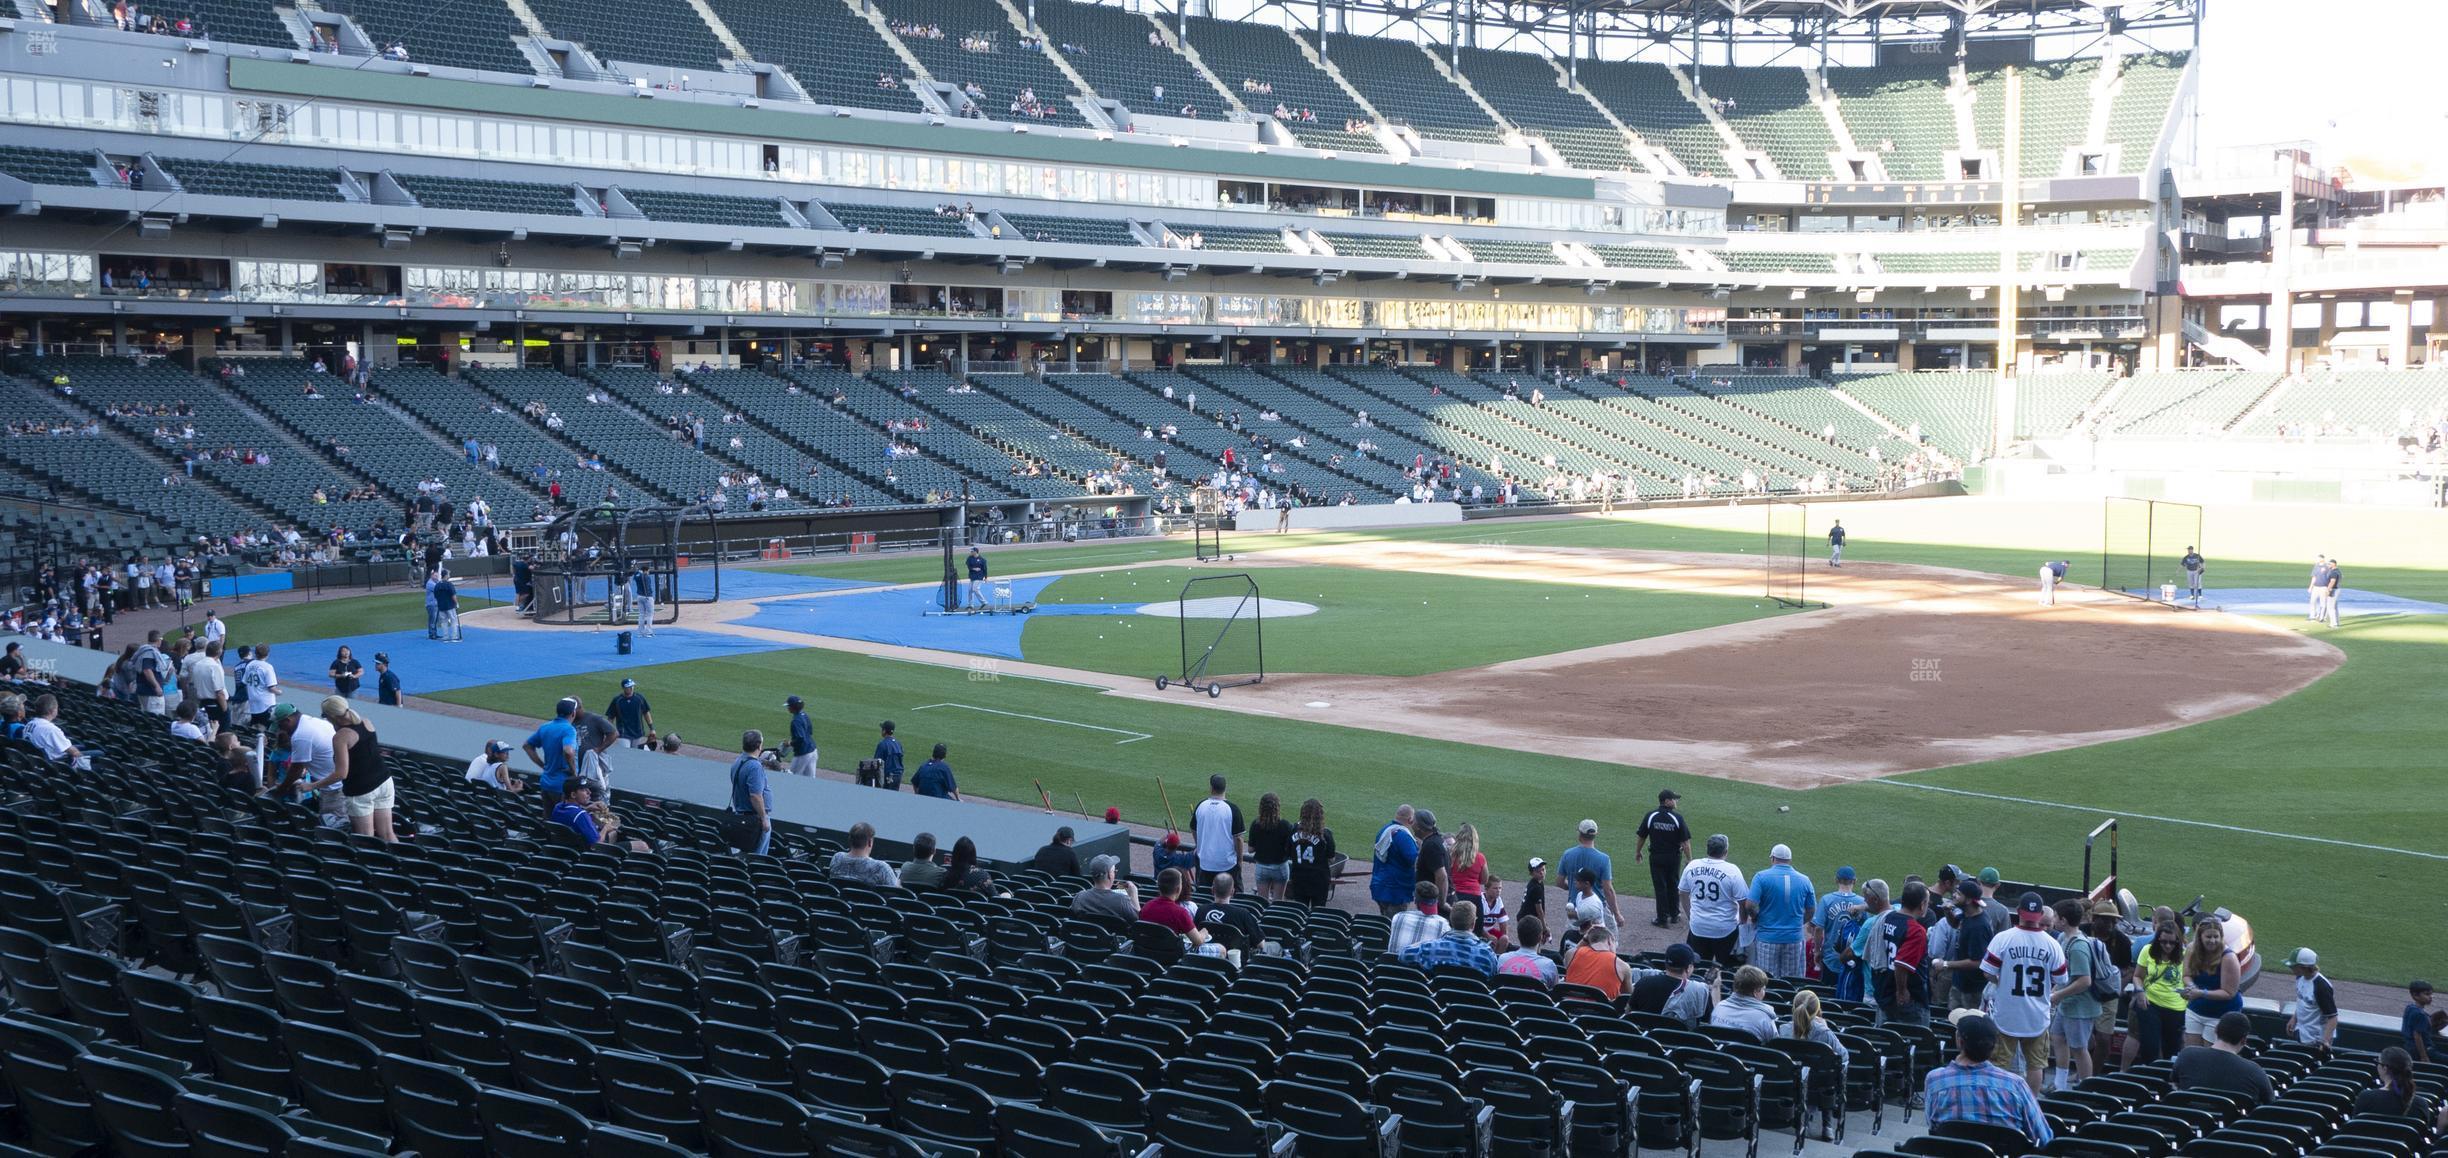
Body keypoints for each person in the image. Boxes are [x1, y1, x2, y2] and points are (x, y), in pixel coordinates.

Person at [1980, 893, 2070, 1093]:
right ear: (2040, 915)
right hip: (2037, 1016)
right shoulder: (2052, 944)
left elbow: (1987, 972)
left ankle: (1998, 1105)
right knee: (2035, 1065)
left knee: (1999, 1064)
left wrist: (2003, 982)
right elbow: (2061, 979)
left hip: (2006, 1013)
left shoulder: (2003, 938)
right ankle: (2031, 1106)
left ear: (2019, 912)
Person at [1925, 1014, 2054, 1145]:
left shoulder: (1935, 1080)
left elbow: (1933, 1128)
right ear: (1993, 1046)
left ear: (1959, 1041)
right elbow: (2043, 1139)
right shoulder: (2016, 1085)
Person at [2048, 899, 2109, 1090]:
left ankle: (2085, 1090)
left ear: (2064, 920)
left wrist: (2058, 995)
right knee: (2057, 1038)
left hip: (2080, 1007)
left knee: (2079, 1049)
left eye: (2056, 916)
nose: (2054, 920)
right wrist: (2055, 991)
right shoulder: (2063, 939)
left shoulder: (2078, 946)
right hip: (2068, 1004)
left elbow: (2084, 981)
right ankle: (2059, 1085)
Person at [1782, 991, 1850, 1140]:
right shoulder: (1825, 1033)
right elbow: (1844, 1056)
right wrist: (1827, 1028)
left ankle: (1804, 1122)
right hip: (1820, 1085)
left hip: (1790, 1082)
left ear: (1794, 1008)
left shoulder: (1783, 1029)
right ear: (1818, 1011)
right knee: (1829, 1077)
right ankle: (1827, 1126)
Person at [2166, 1011, 2274, 1105]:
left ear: (2216, 1030)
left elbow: (2174, 1082)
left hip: (2188, 1124)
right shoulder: (2254, 1070)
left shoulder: (2187, 1055)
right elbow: (2269, 1103)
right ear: (2244, 1040)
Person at [1865, 879, 1931, 1027]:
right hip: (1908, 1000)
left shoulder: (1886, 918)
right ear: (1922, 905)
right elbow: (1901, 965)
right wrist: (1902, 991)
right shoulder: (1916, 930)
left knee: (1885, 1039)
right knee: (1916, 1044)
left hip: (1884, 992)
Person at [1747, 843, 1816, 979]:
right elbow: (1811, 910)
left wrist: (1756, 917)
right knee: (1792, 982)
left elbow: (1750, 905)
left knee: (1767, 981)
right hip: (1794, 938)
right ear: (1789, 860)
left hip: (1767, 938)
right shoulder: (1805, 880)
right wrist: (1798, 922)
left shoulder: (1761, 877)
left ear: (1773, 858)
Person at [269, 703, 342, 828]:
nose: (281, 730)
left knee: (330, 832)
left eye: (281, 725)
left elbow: (296, 770)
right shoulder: (314, 722)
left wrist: (281, 790)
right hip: (329, 784)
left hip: (334, 789)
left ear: (288, 720)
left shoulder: (301, 735)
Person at [1679, 834, 1747, 965]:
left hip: (1697, 927)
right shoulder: (1732, 870)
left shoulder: (1692, 866)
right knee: (1727, 969)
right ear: (1725, 851)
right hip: (1725, 929)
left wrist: (1690, 915)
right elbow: (1742, 901)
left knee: (1698, 968)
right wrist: (1742, 922)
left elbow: (1682, 892)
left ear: (1707, 849)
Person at [2132, 917, 2189, 1065]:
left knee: (2172, 1050)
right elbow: (2137, 976)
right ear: (2157, 940)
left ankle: (2167, 1081)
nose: (2168, 946)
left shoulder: (2185, 955)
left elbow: (2190, 979)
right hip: (2151, 1004)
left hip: (2176, 1007)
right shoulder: (2147, 951)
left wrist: (2189, 991)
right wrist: (2140, 992)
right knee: (2149, 1047)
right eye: (2164, 942)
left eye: (2172, 942)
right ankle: (2150, 1079)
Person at [2180, 917, 2243, 1047]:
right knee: (2192, 1052)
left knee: (2210, 1055)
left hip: (2221, 1014)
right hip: (2196, 1009)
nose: (2213, 940)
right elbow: (2186, 975)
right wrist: (2192, 988)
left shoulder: (2228, 957)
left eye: (2216, 936)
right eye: (2208, 937)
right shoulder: (2192, 949)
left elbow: (2229, 993)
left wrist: (2201, 993)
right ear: (2200, 937)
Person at [1633, 789, 1689, 927]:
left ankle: (1662, 919)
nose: (1676, 801)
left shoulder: (1651, 816)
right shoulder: (1677, 818)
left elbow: (1641, 836)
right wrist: (1689, 859)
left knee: (1660, 887)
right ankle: (1674, 914)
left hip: (1657, 857)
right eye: (1674, 799)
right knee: (1673, 884)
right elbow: (1686, 842)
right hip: (1674, 857)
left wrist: (1638, 852)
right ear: (1666, 801)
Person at [1628, 942, 1717, 1026]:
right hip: (1679, 1041)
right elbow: (1710, 1021)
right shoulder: (1700, 991)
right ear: (1689, 968)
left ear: (1666, 964)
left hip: (1645, 1039)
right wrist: (1716, 987)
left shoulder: (1643, 982)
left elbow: (1629, 1013)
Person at [2353, 1048, 2445, 1129]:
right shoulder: (2421, 1104)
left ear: (2384, 1068)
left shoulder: (2365, 1097)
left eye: (2378, 1062)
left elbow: (2354, 1129)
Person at [1944, 881, 2001, 1014]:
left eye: (1958, 894)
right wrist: (1947, 912)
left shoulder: (1979, 927)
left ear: (1969, 900)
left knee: (1968, 1023)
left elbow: (1977, 962)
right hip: (1960, 982)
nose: (1954, 896)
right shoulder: (1968, 914)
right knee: (1953, 1020)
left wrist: (1946, 964)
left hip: (1972, 990)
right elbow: (1955, 923)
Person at [1559, 818, 1622, 932]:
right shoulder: (1604, 859)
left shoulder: (1567, 854)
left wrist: (1572, 886)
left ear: (1579, 834)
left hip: (1575, 909)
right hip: (1597, 910)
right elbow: (1608, 890)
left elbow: (1559, 882)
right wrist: (1617, 914)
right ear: (1595, 834)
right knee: (1606, 943)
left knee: (1573, 943)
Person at [1401, 899, 1494, 975]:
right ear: (1473, 924)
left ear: (1451, 921)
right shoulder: (1487, 954)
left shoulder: (1429, 948)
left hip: (1437, 997)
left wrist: (1425, 942)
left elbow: (1403, 955)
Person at [1813, 866, 1862, 999]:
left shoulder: (1827, 900)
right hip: (1853, 958)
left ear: (1836, 880)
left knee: (1827, 997)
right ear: (1855, 881)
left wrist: (1817, 950)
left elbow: (1818, 928)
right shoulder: (1862, 902)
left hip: (1830, 958)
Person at [1190, 774, 1243, 888]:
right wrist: (1240, 861)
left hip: (1205, 863)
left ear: (1211, 788)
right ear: (1225, 788)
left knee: (1205, 897)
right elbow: (1238, 838)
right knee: (1230, 897)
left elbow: (1193, 829)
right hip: (1227, 864)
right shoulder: (1233, 809)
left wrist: (1199, 846)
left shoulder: (1201, 806)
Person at [2283, 949, 2337, 1054]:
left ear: (2303, 967)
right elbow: (2301, 999)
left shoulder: (2321, 986)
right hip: (2303, 1031)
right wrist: (2294, 1018)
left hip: (2317, 1039)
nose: (2290, 967)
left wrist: (2325, 1041)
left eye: (2293, 966)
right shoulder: (2300, 977)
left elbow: (2333, 1017)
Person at [728, 729, 772, 855]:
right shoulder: (754, 767)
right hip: (754, 820)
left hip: (743, 815)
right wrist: (764, 818)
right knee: (756, 857)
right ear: (759, 745)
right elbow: (755, 796)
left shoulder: (739, 760)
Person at [1560, 921, 1632, 998]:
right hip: (1602, 1009)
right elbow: (1627, 998)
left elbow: (1569, 956)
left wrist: (1585, 938)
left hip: (1569, 1008)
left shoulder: (1571, 955)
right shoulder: (1622, 966)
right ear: (1610, 941)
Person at [1369, 804, 1418, 916]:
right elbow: (1414, 860)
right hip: (1396, 891)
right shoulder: (1403, 836)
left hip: (1380, 885)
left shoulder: (1383, 830)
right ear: (1410, 819)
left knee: (1384, 923)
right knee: (1393, 927)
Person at [1287, 798, 1337, 906]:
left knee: (1300, 911)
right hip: (1319, 880)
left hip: (1298, 878)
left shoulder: (1293, 830)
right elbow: (1331, 859)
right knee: (1318, 913)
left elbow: (1289, 853)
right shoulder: (1326, 835)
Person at [1138, 869, 1205, 947]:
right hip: (1173, 956)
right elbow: (1198, 941)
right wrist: (1204, 932)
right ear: (1178, 889)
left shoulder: (1147, 906)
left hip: (1148, 951)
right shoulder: (1180, 912)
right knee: (1221, 949)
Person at [1711, 966, 1778, 1042]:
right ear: (1756, 991)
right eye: (1763, 989)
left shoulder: (1719, 1007)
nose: (1764, 992)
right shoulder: (1765, 1019)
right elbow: (1773, 1045)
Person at [1246, 793, 1293, 901]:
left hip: (1262, 867)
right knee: (1278, 903)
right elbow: (1289, 850)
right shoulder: (1285, 825)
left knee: (1262, 903)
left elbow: (1250, 849)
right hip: (1280, 867)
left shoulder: (1256, 824)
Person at [1070, 854, 1139, 925]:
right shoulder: (1121, 900)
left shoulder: (1080, 897)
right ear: (1109, 875)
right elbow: (1137, 922)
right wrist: (1134, 895)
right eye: (1114, 871)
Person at [21, 695, 86, 769]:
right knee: (97, 753)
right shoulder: (51, 730)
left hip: (37, 763)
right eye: (56, 708)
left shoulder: (29, 724)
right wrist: (85, 766)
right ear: (51, 711)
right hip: (57, 765)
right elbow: (73, 752)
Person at [828, 822, 900, 887]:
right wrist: (898, 883)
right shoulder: (881, 868)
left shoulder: (837, 858)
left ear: (849, 840)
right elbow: (896, 893)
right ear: (870, 842)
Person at [1386, 882, 1448, 955]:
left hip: (1391, 964)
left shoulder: (1398, 917)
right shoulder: (1443, 924)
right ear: (1436, 901)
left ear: (1415, 900)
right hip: (1420, 965)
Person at [1496, 916, 1557, 985]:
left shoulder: (1502, 959)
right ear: (1540, 938)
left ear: (1518, 936)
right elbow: (1555, 992)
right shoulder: (1548, 965)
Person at [1447, 822, 1488, 917]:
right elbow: (1484, 880)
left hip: (1454, 895)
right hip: (1474, 897)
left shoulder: (1450, 855)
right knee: (1475, 928)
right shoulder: (1480, 857)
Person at [239, 642, 279, 728]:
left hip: (253, 702)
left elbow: (245, 682)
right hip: (266, 703)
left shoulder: (250, 665)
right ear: (267, 654)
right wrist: (279, 692)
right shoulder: (267, 667)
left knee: (255, 727)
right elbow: (271, 687)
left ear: (255, 653)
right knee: (266, 727)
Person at [610, 679, 655, 748]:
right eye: (629, 687)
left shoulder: (639, 698)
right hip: (623, 733)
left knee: (636, 754)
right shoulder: (617, 700)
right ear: (623, 688)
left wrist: (652, 729)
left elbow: (646, 713)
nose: (631, 688)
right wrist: (608, 731)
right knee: (625, 753)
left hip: (638, 732)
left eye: (632, 686)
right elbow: (611, 717)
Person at [2402, 980, 2436, 1061]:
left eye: (2431, 994)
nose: (2431, 996)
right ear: (2415, 995)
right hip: (2423, 1050)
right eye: (2427, 994)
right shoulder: (2420, 1014)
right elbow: (2417, 1036)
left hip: (2409, 1047)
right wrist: (2424, 1056)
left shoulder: (2410, 1007)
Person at [870, 720, 904, 791]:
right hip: (898, 776)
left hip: (888, 777)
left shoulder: (882, 744)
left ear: (884, 731)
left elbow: (877, 763)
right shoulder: (898, 744)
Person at [628, 563, 656, 636]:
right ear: (646, 570)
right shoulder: (646, 576)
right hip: (647, 597)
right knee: (650, 615)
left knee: (641, 614)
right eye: (648, 571)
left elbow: (635, 575)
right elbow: (647, 587)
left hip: (639, 596)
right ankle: (648, 632)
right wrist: (649, 596)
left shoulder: (637, 575)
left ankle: (640, 632)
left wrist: (637, 570)